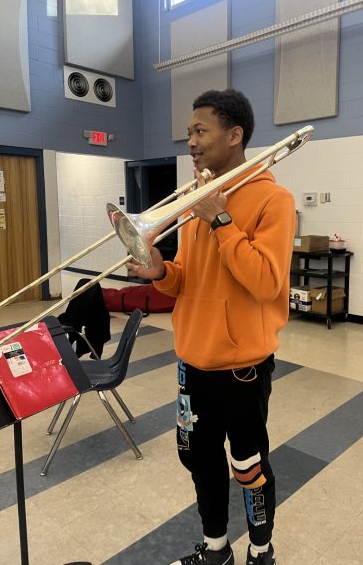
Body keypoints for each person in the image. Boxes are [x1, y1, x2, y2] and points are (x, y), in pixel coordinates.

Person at [127, 89, 296, 565]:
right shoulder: (196, 200)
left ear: (234, 135)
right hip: (193, 361)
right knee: (202, 462)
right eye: (189, 133)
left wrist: (221, 219)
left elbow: (265, 281)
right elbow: (189, 279)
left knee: (248, 465)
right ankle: (216, 549)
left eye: (200, 131)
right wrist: (162, 271)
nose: (191, 143)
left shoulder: (273, 199)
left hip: (242, 367)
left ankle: (261, 551)